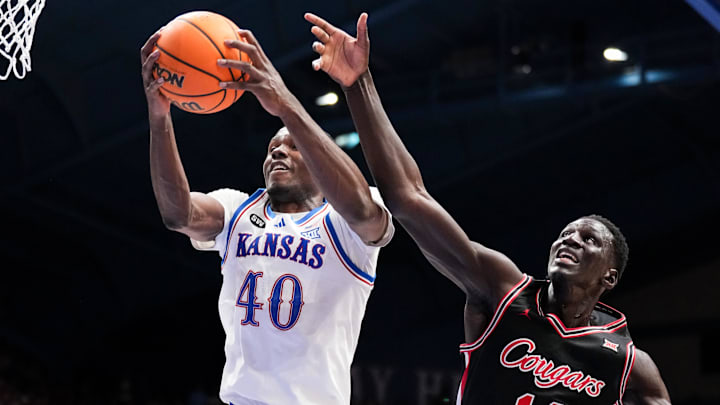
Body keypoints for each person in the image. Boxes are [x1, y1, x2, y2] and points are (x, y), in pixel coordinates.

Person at [304, 12, 672, 404]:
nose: (570, 240)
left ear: (610, 277)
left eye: (588, 240)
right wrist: (359, 84)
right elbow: (408, 198)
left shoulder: (629, 365)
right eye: (566, 233)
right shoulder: (503, 291)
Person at [140, 25, 394, 405]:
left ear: (321, 164)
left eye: (293, 147)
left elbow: (362, 212)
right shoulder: (236, 209)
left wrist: (286, 105)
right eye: (273, 146)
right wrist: (160, 116)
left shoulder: (344, 224)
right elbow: (178, 214)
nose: (278, 151)